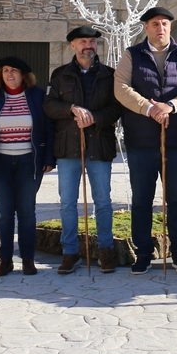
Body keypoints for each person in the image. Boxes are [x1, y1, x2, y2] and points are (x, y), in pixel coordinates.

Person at [114, 6, 177, 275]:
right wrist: (149, 108)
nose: (161, 27)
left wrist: (172, 106)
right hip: (141, 140)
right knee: (142, 199)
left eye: (165, 23)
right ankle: (143, 253)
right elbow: (120, 87)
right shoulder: (132, 55)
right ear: (146, 27)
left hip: (175, 140)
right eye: (155, 23)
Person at [44, 26, 120, 275]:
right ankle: (70, 252)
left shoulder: (110, 75)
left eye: (92, 41)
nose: (88, 45)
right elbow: (49, 106)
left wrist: (95, 117)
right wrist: (73, 109)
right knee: (67, 203)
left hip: (99, 145)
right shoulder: (60, 74)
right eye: (83, 41)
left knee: (103, 202)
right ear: (72, 46)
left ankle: (106, 250)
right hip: (68, 147)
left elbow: (117, 109)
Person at [0, 56, 54, 276]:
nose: (10, 74)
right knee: (3, 213)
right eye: (5, 71)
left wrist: (49, 158)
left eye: (14, 70)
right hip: (0, 161)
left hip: (28, 162)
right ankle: (5, 259)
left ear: (24, 75)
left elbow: (49, 129)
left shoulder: (37, 96)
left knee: (27, 212)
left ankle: (28, 259)